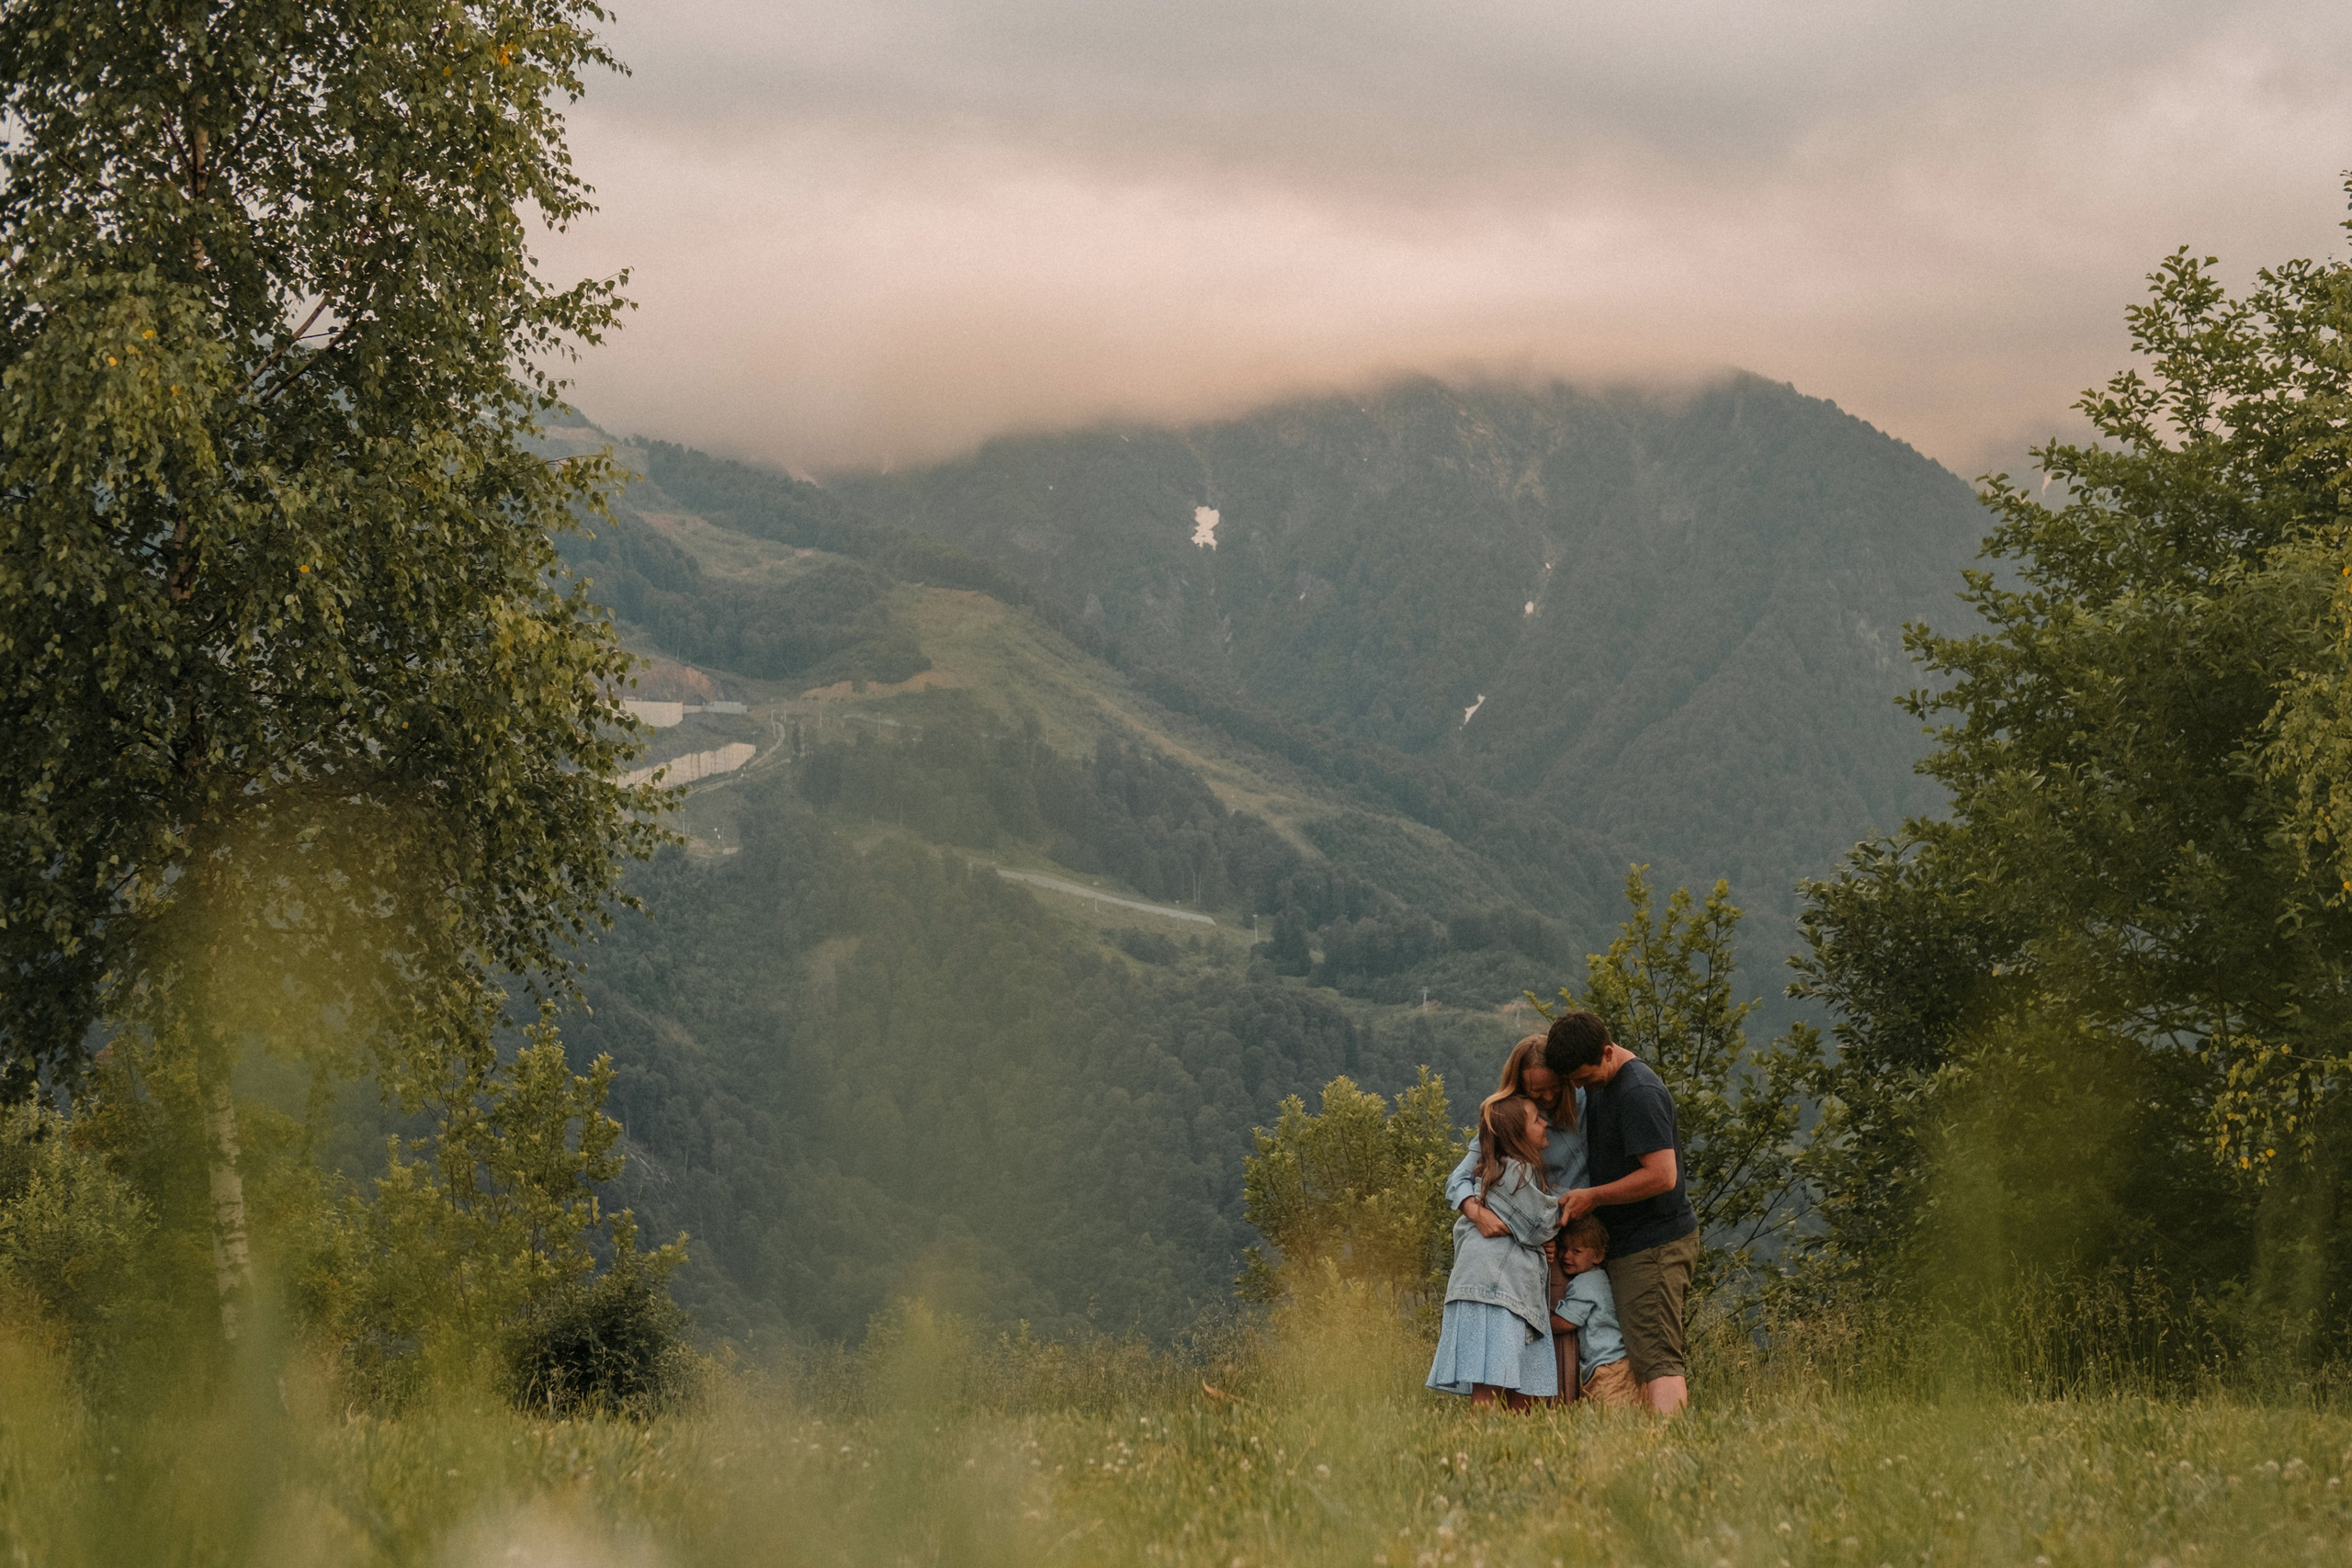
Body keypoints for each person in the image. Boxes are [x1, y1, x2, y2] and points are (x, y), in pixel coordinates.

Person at [1546, 1010, 1699, 1416]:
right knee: (1638, 1350)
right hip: (1629, 1243)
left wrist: (1593, 1197)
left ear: (1608, 1052)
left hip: (1655, 1244)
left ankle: (1670, 1442)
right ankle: (1645, 1441)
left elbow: (1662, 1176)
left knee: (1655, 1353)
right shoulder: (1604, 1084)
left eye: (1584, 1078)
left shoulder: (1638, 1093)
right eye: (1573, 1081)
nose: (1579, 1088)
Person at [1425, 1093, 1564, 1409]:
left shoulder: (1493, 1169)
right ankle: (1482, 1445)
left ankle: (1492, 1445)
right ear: (1516, 1135)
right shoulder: (1518, 1172)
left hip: (1479, 1283)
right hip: (1494, 1289)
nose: (1545, 1123)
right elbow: (1539, 1224)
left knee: (1488, 1382)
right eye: (1536, 1120)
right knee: (1490, 1384)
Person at [1443, 1033, 1587, 1240]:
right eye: (1537, 1091)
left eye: (1555, 1087)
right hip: (1543, 1231)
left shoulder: (1584, 1098)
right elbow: (1459, 1177)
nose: (1548, 1097)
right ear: (1519, 1085)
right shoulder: (1508, 1123)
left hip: (1589, 1227)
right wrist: (1477, 1213)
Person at [1552, 1214, 1640, 1410]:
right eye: (1564, 1248)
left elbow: (1567, 1322)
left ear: (1598, 1256)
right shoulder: (1601, 1279)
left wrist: (1539, 1324)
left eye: (1577, 1251)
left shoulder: (1586, 1282)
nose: (1566, 1256)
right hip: (1617, 1362)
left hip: (1607, 1366)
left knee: (1610, 1415)